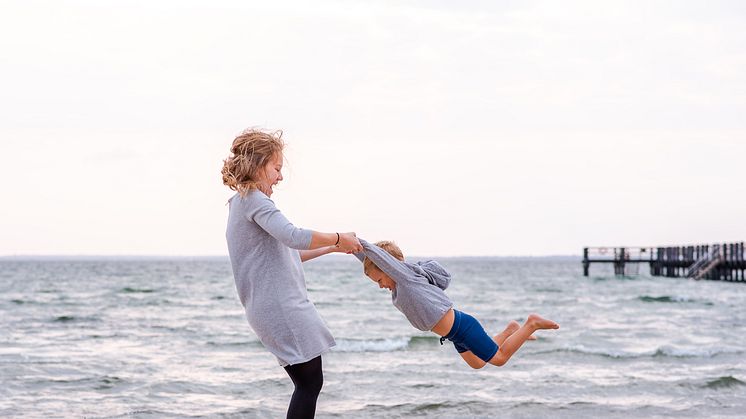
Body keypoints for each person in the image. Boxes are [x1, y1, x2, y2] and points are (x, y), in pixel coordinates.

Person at [222, 128, 362, 419]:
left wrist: (333, 249)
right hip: (280, 306)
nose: (280, 176)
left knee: (308, 382)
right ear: (258, 165)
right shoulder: (254, 200)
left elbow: (289, 252)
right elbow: (294, 236)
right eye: (277, 168)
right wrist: (337, 237)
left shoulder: (242, 203)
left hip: (270, 306)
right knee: (310, 382)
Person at [354, 239, 559, 369]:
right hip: (454, 334)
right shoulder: (399, 284)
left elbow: (376, 256)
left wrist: (355, 240)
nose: (380, 286)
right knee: (477, 363)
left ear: (389, 267)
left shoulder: (406, 277)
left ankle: (531, 323)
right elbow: (370, 258)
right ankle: (510, 331)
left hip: (463, 326)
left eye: (379, 280)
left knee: (498, 359)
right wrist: (349, 248)